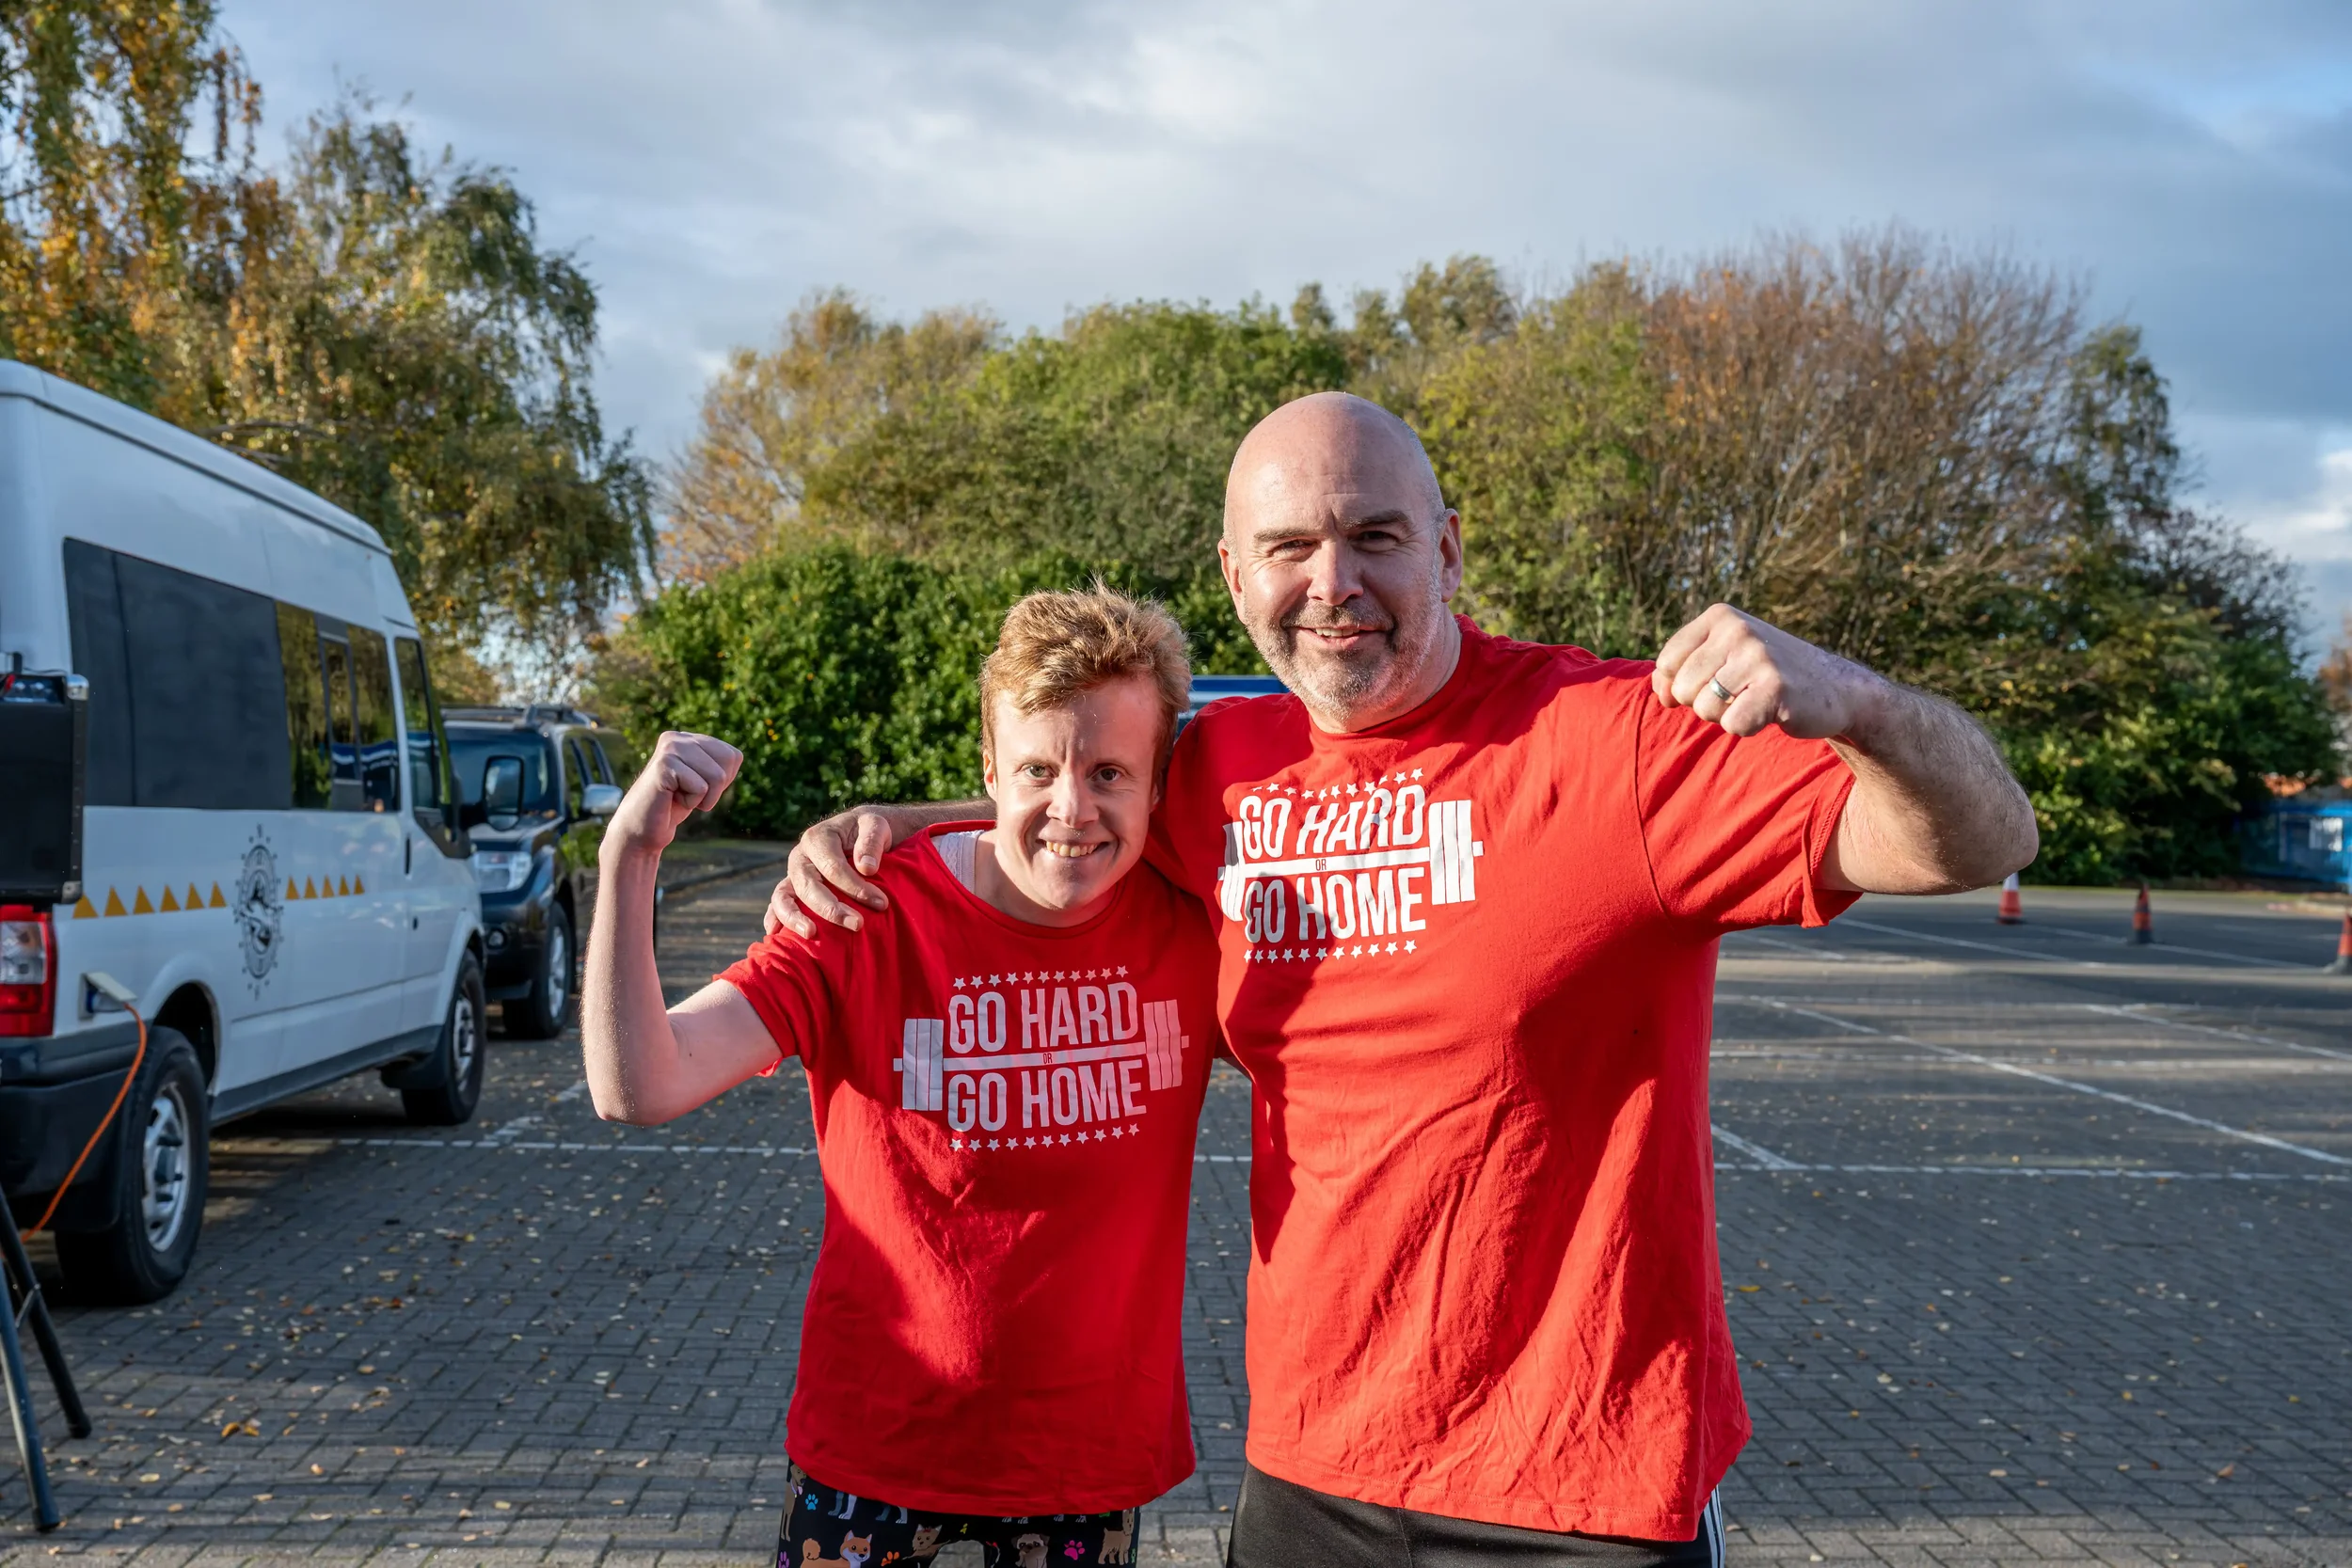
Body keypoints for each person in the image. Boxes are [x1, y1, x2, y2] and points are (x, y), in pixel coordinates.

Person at [767, 392, 2041, 1566]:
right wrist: (890, 818)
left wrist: (1857, 704)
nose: (1334, 583)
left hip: (1581, 1491)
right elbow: (1065, 808)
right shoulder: (1220, 769)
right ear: (1234, 574)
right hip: (1311, 1474)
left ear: (1448, 547)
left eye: (1374, 534)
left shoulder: (1616, 743)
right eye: (1288, 547)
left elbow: (1983, 840)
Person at [582, 587, 1221, 1568]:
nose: (1072, 809)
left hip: (1084, 1464)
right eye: (1037, 770)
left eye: (1109, 773)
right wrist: (631, 855)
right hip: (875, 1449)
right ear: (988, 771)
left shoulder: (1193, 931)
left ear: (1156, 780)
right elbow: (644, 1083)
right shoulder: (864, 909)